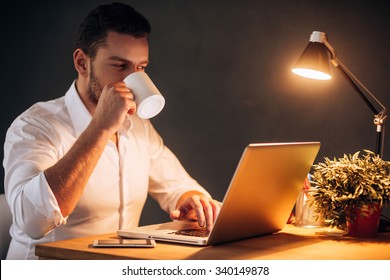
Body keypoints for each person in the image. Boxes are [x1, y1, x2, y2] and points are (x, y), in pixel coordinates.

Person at [3, 3, 221, 259]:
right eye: (120, 66)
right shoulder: (35, 125)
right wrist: (101, 127)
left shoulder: (138, 126)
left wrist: (193, 201)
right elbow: (33, 221)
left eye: (140, 68)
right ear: (82, 63)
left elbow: (178, 187)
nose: (132, 79)